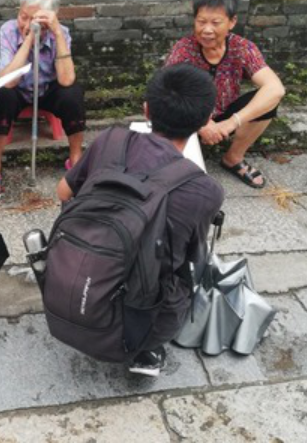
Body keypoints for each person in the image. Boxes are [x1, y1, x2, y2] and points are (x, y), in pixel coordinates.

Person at [57, 64, 225, 377]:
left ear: (146, 109)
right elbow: (189, 257)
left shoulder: (111, 140)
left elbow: (63, 192)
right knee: (195, 265)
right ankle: (147, 348)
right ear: (205, 120)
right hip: (135, 323)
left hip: (65, 291)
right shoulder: (205, 190)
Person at [165, 0, 286, 188]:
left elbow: (275, 88)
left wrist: (230, 123)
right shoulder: (184, 50)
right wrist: (202, 123)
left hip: (225, 117)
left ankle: (233, 158)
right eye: (201, 21)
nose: (207, 30)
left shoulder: (242, 48)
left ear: (232, 22)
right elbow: (166, 93)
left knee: (269, 100)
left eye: (215, 22)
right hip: (189, 117)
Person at [0, 0, 86, 197]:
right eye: (23, 16)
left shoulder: (61, 33)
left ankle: (76, 158)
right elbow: (8, 81)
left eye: (35, 19)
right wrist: (29, 38)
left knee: (73, 93)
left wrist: (57, 34)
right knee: (2, 95)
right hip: (17, 89)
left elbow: (66, 79)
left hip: (47, 88)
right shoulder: (8, 30)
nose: (26, 23)